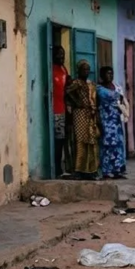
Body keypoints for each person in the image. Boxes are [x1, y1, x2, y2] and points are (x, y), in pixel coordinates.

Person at [65, 60, 101, 179]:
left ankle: (90, 170)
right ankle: (78, 169)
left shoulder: (91, 84)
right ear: (78, 70)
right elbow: (67, 92)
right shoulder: (77, 82)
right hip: (80, 114)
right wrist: (77, 102)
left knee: (91, 142)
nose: (86, 71)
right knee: (80, 141)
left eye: (87, 69)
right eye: (83, 69)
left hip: (91, 115)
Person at [96, 66, 127, 179]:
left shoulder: (117, 87)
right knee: (106, 145)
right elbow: (95, 104)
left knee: (118, 144)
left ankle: (117, 170)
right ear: (102, 75)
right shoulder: (99, 89)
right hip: (105, 119)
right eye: (107, 73)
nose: (110, 75)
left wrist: (121, 109)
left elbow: (122, 100)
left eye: (111, 73)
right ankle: (106, 170)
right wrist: (98, 119)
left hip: (116, 120)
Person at [51, 45, 71, 178]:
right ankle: (56, 168)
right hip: (54, 110)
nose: (61, 57)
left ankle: (61, 167)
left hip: (62, 110)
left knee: (61, 140)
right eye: (58, 54)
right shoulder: (51, 69)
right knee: (56, 141)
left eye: (63, 54)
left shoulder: (63, 69)